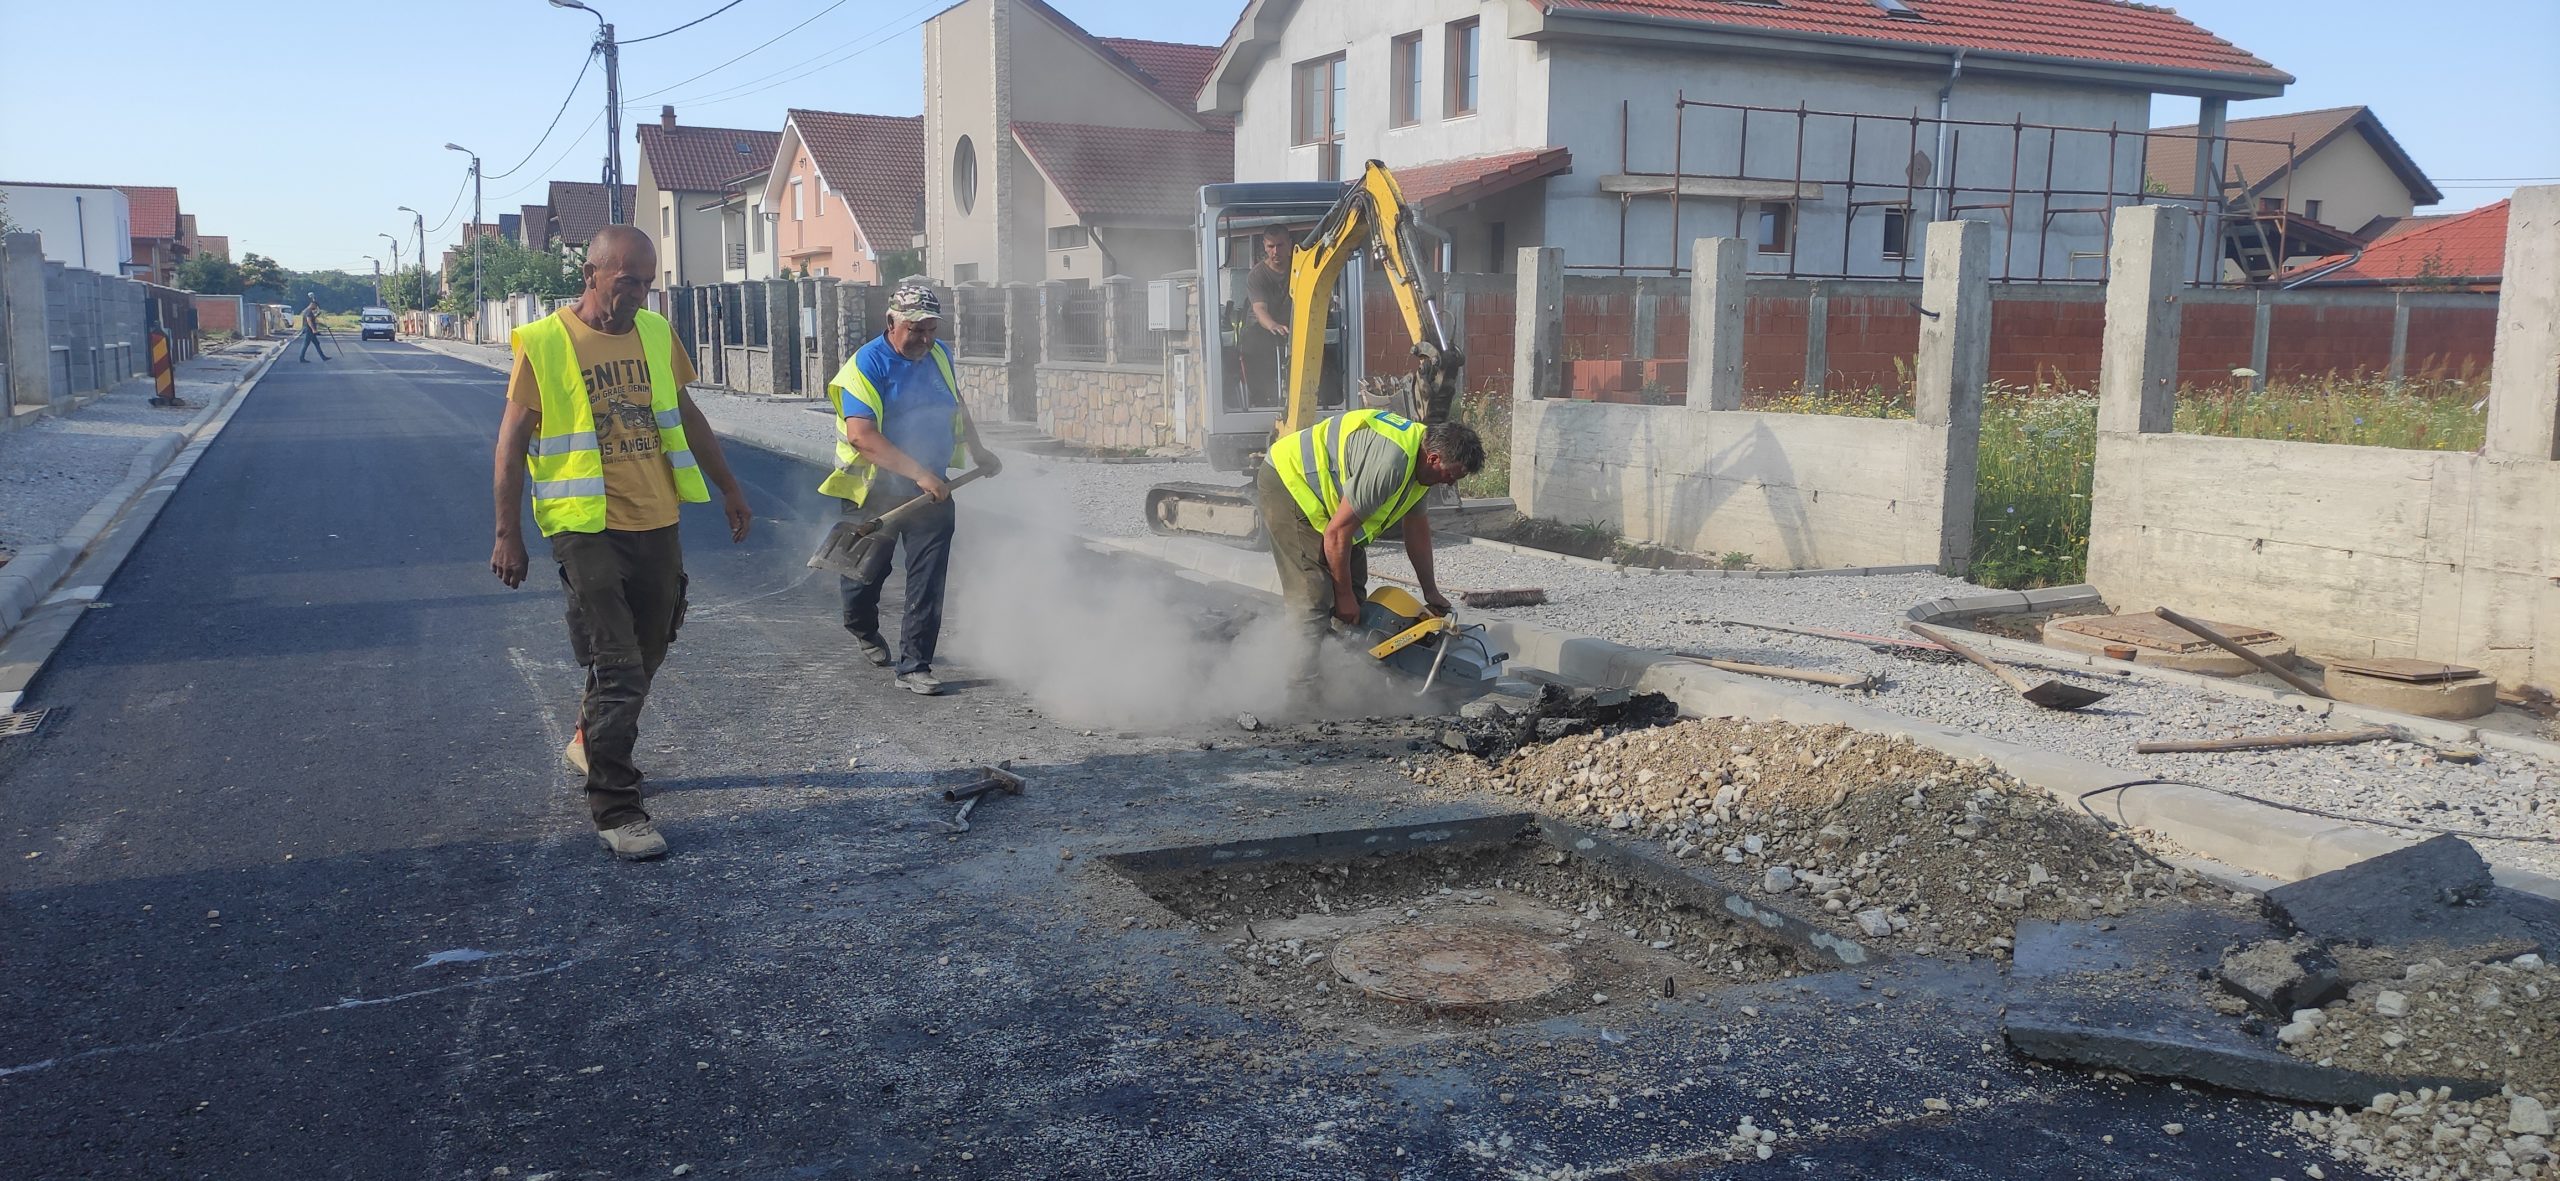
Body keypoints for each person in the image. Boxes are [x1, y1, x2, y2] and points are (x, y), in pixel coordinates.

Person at [489, 224, 754, 861]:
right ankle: (617, 806)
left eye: (647, 281)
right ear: (592, 274)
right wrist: (508, 534)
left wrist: (730, 487)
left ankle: (591, 736)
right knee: (619, 666)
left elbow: (687, 415)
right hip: (584, 526)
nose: (638, 292)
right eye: (626, 280)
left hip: (657, 519)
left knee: (650, 650)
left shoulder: (658, 333)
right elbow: (511, 443)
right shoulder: (547, 342)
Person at [818, 284, 1000, 696]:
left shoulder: (939, 355)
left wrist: (978, 449)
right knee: (865, 577)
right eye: (915, 329)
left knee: (928, 578)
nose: (924, 339)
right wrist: (920, 474)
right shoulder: (865, 366)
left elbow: (956, 402)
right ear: (891, 323)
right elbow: (861, 436)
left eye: (931, 329)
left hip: (932, 487)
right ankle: (861, 625)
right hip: (874, 489)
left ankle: (915, 665)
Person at [1257, 410, 1484, 703]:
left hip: (1330, 508)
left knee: (1354, 595)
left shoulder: (1423, 468)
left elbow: (1416, 530)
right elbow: (1337, 535)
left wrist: (1431, 591)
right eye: (1451, 475)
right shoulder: (1391, 463)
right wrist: (1343, 597)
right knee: (1313, 594)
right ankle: (1302, 697)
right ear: (1434, 459)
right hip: (1290, 482)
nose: (1450, 484)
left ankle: (1341, 679)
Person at [1239, 225, 1294, 408]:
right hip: (1261, 327)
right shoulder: (1257, 275)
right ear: (1264, 246)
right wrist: (1273, 326)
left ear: (1289, 244)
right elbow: (1260, 309)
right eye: (1271, 246)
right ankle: (1260, 400)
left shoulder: (1300, 269)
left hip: (1293, 325)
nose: (1275, 251)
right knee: (1254, 343)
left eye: (1280, 245)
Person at [297, 296, 331, 362]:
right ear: (313, 305)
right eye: (315, 306)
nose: (315, 308)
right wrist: (314, 330)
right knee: (306, 344)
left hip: (310, 330)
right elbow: (309, 321)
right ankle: (301, 358)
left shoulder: (308, 311)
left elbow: (314, 320)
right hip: (309, 330)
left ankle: (323, 357)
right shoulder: (308, 311)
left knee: (316, 343)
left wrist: (325, 325)